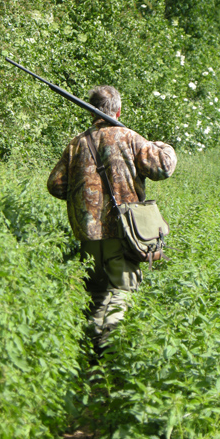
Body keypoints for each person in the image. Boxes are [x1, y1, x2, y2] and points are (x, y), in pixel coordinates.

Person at [47, 85, 177, 348]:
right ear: (117, 109)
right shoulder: (129, 137)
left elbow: (56, 185)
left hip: (89, 234)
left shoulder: (77, 143)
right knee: (122, 291)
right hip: (124, 232)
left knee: (96, 294)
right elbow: (164, 167)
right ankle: (109, 349)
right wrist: (164, 145)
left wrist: (82, 198)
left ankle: (89, 351)